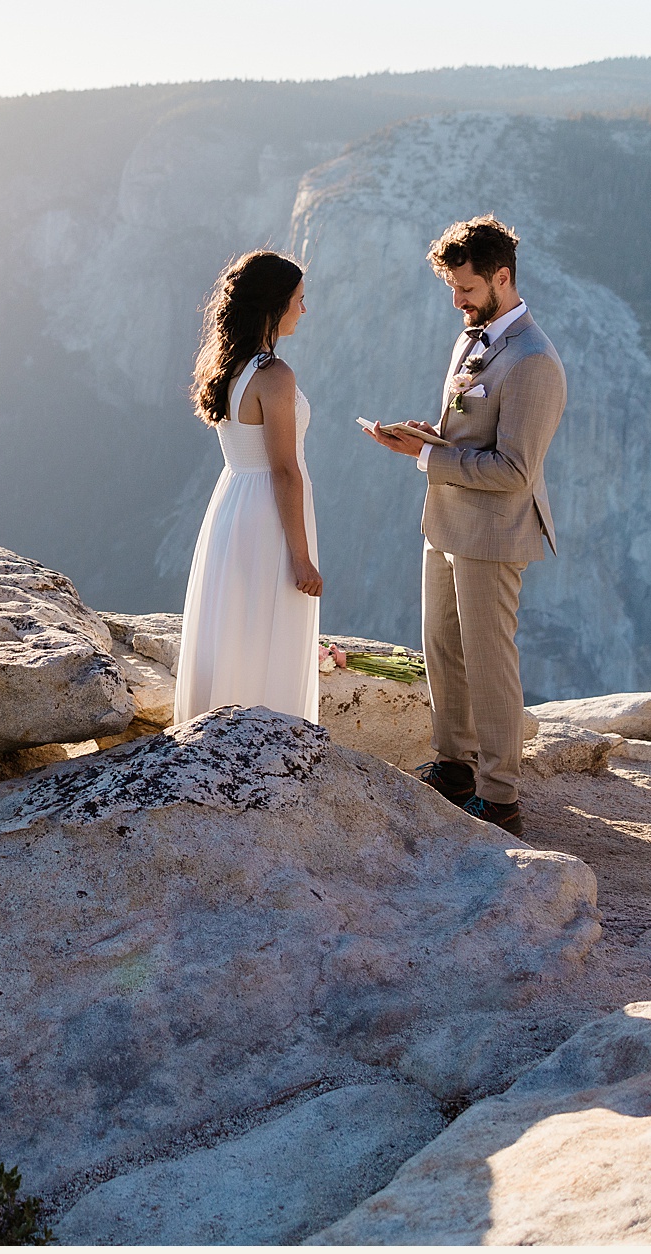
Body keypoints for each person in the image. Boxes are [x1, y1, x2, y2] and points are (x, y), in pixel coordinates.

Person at [364, 215, 566, 835]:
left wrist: (424, 457)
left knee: (489, 659)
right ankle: (454, 765)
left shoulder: (534, 361)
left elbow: (515, 470)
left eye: (467, 289)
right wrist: (426, 436)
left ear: (502, 278)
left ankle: (501, 795)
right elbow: (467, 428)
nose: (457, 302)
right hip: (446, 521)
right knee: (442, 652)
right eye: (453, 289)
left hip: (495, 531)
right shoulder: (470, 339)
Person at [173, 249, 321, 724]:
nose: (304, 309)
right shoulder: (274, 376)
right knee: (267, 628)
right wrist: (301, 557)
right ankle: (270, 746)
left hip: (232, 502)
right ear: (274, 306)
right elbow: (283, 470)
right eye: (299, 299)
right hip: (268, 513)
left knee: (234, 623)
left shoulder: (228, 367)